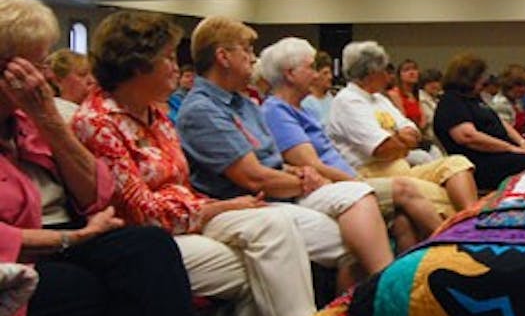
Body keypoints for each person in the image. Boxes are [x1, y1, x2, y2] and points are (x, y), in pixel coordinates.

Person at [0, 0, 246, 316]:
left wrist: (46, 117)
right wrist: (70, 240)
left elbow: (97, 193)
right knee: (121, 305)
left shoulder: (31, 118)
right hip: (17, 263)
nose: (41, 79)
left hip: (72, 238)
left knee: (147, 248)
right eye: (31, 65)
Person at [73, 10, 318, 316]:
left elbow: (179, 191)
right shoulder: (98, 122)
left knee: (271, 235)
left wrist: (213, 208)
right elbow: (143, 213)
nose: (177, 67)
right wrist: (217, 209)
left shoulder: (159, 114)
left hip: (190, 221)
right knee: (269, 252)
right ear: (137, 64)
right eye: (168, 58)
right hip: (144, 245)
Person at [176, 16, 395, 279]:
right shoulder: (203, 109)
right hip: (248, 205)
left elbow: (273, 163)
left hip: (281, 192)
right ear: (223, 57)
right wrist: (306, 179)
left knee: (361, 198)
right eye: (246, 50)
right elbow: (253, 177)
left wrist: (298, 173)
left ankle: (379, 294)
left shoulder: (243, 103)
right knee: (353, 240)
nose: (253, 59)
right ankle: (384, 294)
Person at [259, 38, 443, 252]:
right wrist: (357, 181)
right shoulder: (277, 110)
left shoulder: (302, 109)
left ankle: (405, 277)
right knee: (405, 188)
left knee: (404, 220)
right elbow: (314, 165)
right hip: (330, 186)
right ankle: (451, 246)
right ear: (290, 74)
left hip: (345, 179)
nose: (317, 75)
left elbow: (411, 135)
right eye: (311, 68)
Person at [326, 41, 478, 214]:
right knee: (444, 195)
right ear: (371, 73)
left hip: (401, 167)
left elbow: (414, 134)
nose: (388, 76)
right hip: (374, 175)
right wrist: (401, 139)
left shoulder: (379, 99)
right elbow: (383, 149)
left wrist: (396, 140)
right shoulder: (348, 101)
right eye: (385, 71)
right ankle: (469, 223)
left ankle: (469, 219)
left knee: (457, 162)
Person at [434, 53, 525, 190]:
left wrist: (524, 144)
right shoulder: (452, 102)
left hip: (503, 153)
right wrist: (512, 148)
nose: (484, 81)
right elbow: (468, 137)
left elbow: (500, 122)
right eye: (481, 77)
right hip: (482, 162)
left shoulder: (475, 99)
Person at [42, 49, 95, 121]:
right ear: (58, 81)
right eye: (82, 74)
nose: (92, 80)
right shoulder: (58, 113)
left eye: (93, 75)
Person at [301, 51, 336, 129]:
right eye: (325, 73)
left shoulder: (331, 98)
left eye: (330, 73)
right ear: (315, 75)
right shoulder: (306, 103)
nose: (330, 77)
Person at [417, 67, 443, 146]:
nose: (434, 85)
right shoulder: (419, 99)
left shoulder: (439, 98)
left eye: (436, 81)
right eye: (429, 82)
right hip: (429, 142)